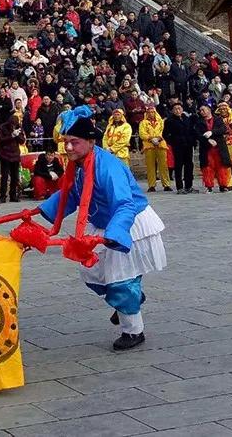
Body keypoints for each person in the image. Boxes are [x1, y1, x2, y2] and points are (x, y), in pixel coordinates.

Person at [32, 106, 166, 351]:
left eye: (74, 142)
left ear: (90, 141)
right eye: (66, 142)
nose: (69, 148)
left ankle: (133, 330)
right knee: (92, 273)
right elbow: (72, 193)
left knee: (120, 279)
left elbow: (124, 203)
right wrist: (40, 211)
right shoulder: (81, 165)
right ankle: (130, 299)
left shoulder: (108, 167)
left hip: (126, 222)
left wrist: (116, 233)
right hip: (105, 221)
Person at [194, 104, 232, 193]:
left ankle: (223, 185)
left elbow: (223, 129)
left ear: (209, 110)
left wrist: (212, 132)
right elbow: (197, 134)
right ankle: (209, 186)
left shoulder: (218, 119)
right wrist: (208, 140)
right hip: (206, 148)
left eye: (203, 110)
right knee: (207, 167)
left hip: (219, 147)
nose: (201, 112)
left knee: (221, 167)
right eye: (200, 110)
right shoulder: (199, 122)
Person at [162, 102, 198, 194]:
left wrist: (192, 141)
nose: (178, 110)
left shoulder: (187, 119)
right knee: (178, 166)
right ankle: (180, 187)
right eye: (175, 109)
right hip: (178, 146)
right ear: (172, 111)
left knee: (189, 165)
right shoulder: (169, 121)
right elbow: (165, 135)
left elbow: (192, 130)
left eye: (179, 108)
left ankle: (189, 186)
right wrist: (173, 142)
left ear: (182, 110)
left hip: (188, 145)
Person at [139, 103, 172, 192]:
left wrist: (158, 138)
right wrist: (150, 139)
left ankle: (166, 184)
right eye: (149, 112)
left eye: (152, 112)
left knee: (163, 166)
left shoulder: (161, 121)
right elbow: (142, 133)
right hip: (149, 146)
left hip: (161, 144)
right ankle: (151, 185)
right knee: (150, 166)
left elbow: (163, 131)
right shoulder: (143, 123)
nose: (151, 114)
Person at [0, 114, 26, 203]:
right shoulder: (2, 127)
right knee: (4, 176)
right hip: (5, 154)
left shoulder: (19, 127)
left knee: (15, 176)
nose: (13, 126)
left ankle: (13, 195)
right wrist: (11, 135)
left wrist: (17, 135)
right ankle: (3, 196)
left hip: (15, 154)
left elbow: (22, 141)